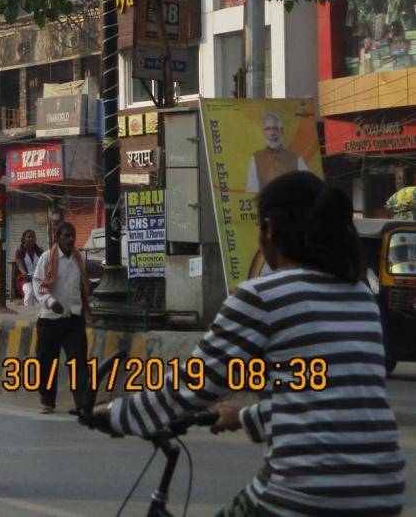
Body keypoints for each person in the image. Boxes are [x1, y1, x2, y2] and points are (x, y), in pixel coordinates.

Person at [95, 172, 406, 517]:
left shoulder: (262, 295)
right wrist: (244, 415)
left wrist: (119, 415)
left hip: (306, 492)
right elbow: (330, 401)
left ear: (270, 230)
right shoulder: (360, 296)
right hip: (383, 491)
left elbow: (192, 387)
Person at [31, 221, 92, 414]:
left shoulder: (78, 258)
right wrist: (49, 301)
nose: (71, 239)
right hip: (50, 319)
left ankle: (81, 403)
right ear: (57, 238)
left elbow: (83, 284)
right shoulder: (47, 258)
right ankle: (48, 401)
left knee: (78, 361)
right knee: (48, 362)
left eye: (72, 235)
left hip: (73, 317)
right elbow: (38, 283)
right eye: (66, 235)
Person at [245, 111, 309, 194]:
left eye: (275, 128)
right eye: (268, 129)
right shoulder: (256, 158)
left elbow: (307, 184)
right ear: (263, 132)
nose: (272, 133)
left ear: (281, 131)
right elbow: (252, 190)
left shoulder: (295, 157)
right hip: (267, 205)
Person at [12, 228, 42, 307]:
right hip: (24, 279)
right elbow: (19, 263)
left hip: (37, 278)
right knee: (30, 291)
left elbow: (43, 264)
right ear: (23, 239)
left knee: (41, 294)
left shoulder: (39, 251)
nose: (31, 238)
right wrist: (24, 272)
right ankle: (27, 311)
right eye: (29, 237)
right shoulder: (20, 251)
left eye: (33, 236)